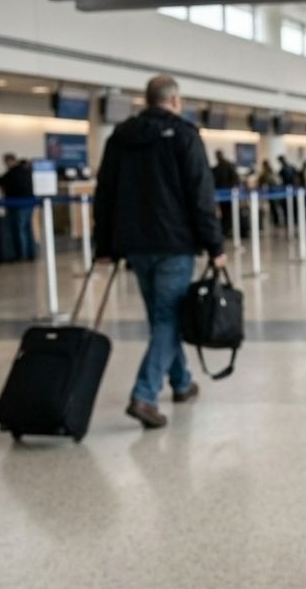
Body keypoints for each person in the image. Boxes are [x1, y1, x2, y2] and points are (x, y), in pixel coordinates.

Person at [94, 74, 225, 430]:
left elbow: (104, 192)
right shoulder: (184, 135)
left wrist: (102, 245)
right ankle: (144, 394)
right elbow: (201, 195)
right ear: (175, 100)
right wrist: (215, 245)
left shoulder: (120, 136)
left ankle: (181, 383)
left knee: (161, 317)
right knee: (168, 319)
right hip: (173, 243)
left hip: (134, 244)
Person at [0, 153, 36, 261]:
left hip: (19, 204)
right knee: (27, 229)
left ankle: (22, 254)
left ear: (9, 161)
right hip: (28, 202)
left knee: (20, 229)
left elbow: (1, 181)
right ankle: (30, 253)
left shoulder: (13, 173)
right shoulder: (25, 171)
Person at [212, 150, 239, 236]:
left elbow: (234, 178)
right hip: (223, 194)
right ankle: (225, 230)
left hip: (227, 193)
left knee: (228, 213)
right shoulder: (219, 167)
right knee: (225, 212)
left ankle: (227, 230)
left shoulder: (225, 166)